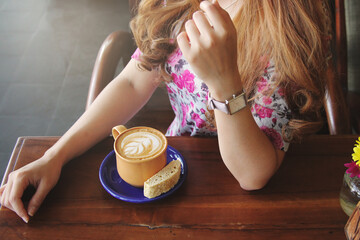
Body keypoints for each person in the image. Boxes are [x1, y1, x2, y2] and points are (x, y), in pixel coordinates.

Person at [0, 0, 331, 223]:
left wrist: (224, 80)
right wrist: (55, 156)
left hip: (243, 204)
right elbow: (132, 83)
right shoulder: (179, 7)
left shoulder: (288, 27)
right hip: (173, 175)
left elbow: (253, 175)